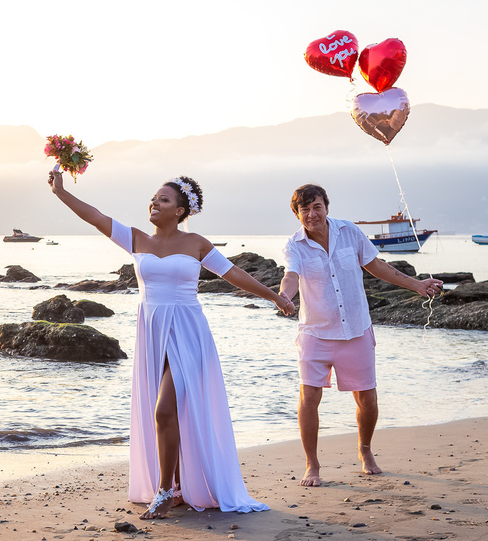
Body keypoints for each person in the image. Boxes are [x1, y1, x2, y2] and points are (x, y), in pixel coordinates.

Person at [48, 169, 296, 519]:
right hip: (152, 331)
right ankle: (178, 486)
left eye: (163, 199)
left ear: (180, 210)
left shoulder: (196, 243)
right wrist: (60, 192)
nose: (154, 202)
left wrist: (274, 296)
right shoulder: (135, 239)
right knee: (167, 411)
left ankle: (165, 491)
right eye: (154, 198)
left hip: (188, 330)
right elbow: (95, 217)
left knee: (165, 410)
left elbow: (233, 274)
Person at [278, 184, 442, 487]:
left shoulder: (349, 232)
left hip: (355, 328)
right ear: (297, 213)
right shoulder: (294, 245)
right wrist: (284, 297)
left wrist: (417, 285)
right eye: (305, 209)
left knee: (367, 398)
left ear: (326, 206)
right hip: (315, 332)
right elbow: (291, 275)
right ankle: (312, 465)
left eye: (317, 207)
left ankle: (365, 450)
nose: (312, 214)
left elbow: (377, 266)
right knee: (309, 397)